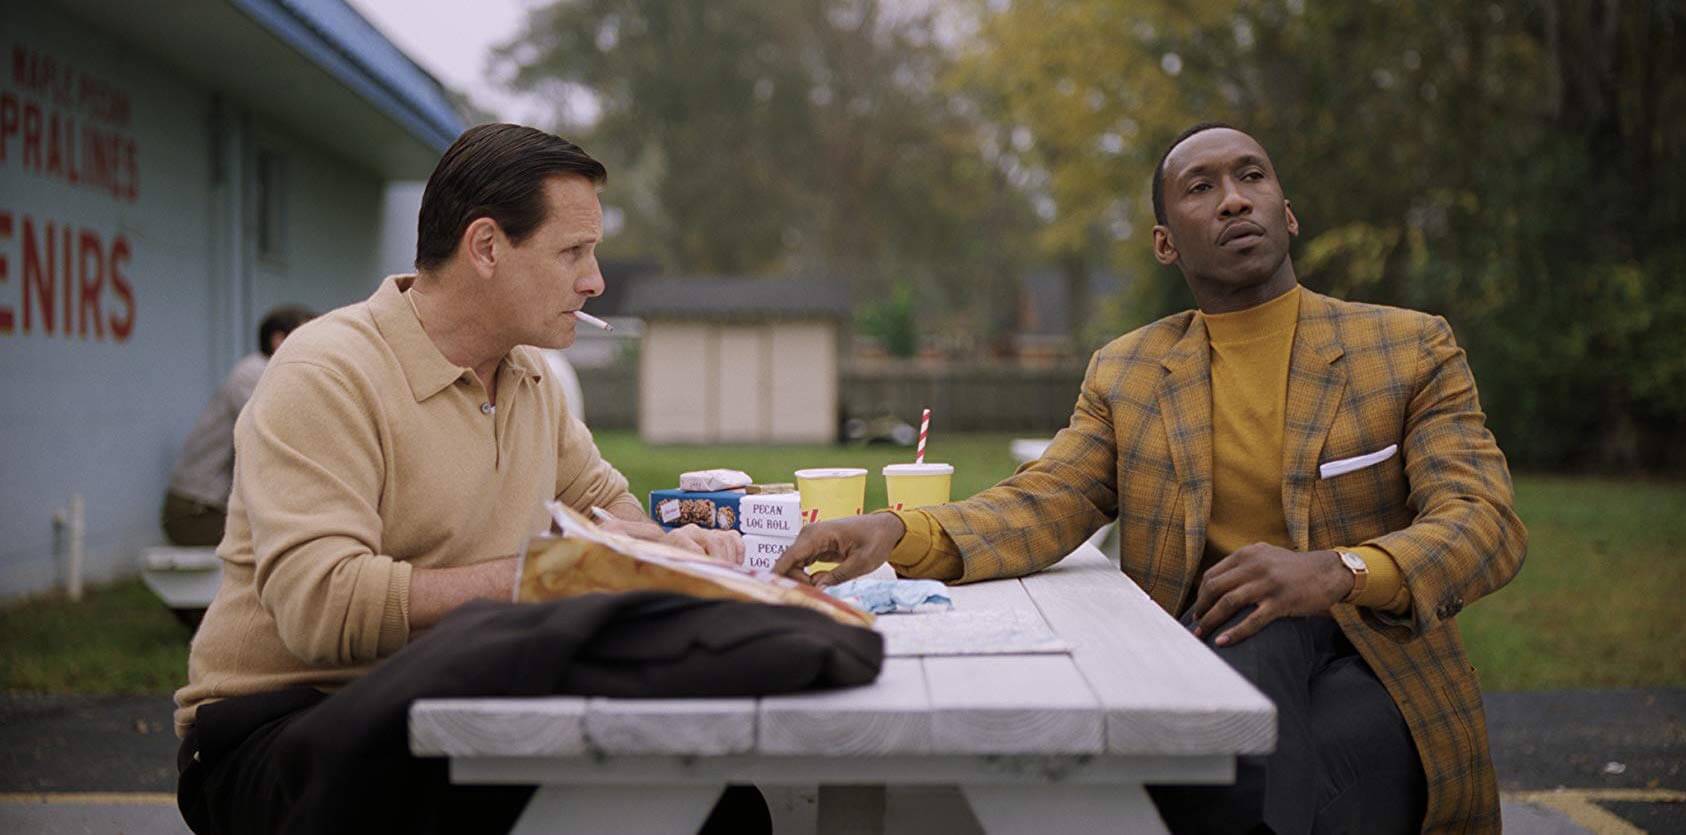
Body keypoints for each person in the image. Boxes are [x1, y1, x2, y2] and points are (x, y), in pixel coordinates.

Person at [775, 123, 1526, 833]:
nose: (1233, 199)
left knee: (1236, 771)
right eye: (1202, 187)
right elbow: (1045, 501)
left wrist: (1336, 570)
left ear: (1288, 213)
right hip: (1213, 650)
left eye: (1252, 177)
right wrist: (895, 529)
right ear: (1166, 243)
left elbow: (1483, 520)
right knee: (1250, 688)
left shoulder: (1406, 348)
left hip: (1378, 657)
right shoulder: (1130, 371)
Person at [173, 124, 766, 834]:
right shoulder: (324, 373)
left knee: (721, 808)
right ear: (485, 246)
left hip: (450, 703)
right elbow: (324, 609)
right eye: (572, 252)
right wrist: (554, 574)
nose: (595, 281)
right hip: (283, 727)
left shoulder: (528, 374)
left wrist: (666, 549)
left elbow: (604, 503)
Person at [161, 306, 316, 547]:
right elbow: (285, 434)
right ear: (278, 340)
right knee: (293, 541)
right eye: (308, 335)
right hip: (195, 513)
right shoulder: (254, 374)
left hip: (213, 510)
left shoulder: (274, 373)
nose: (318, 346)